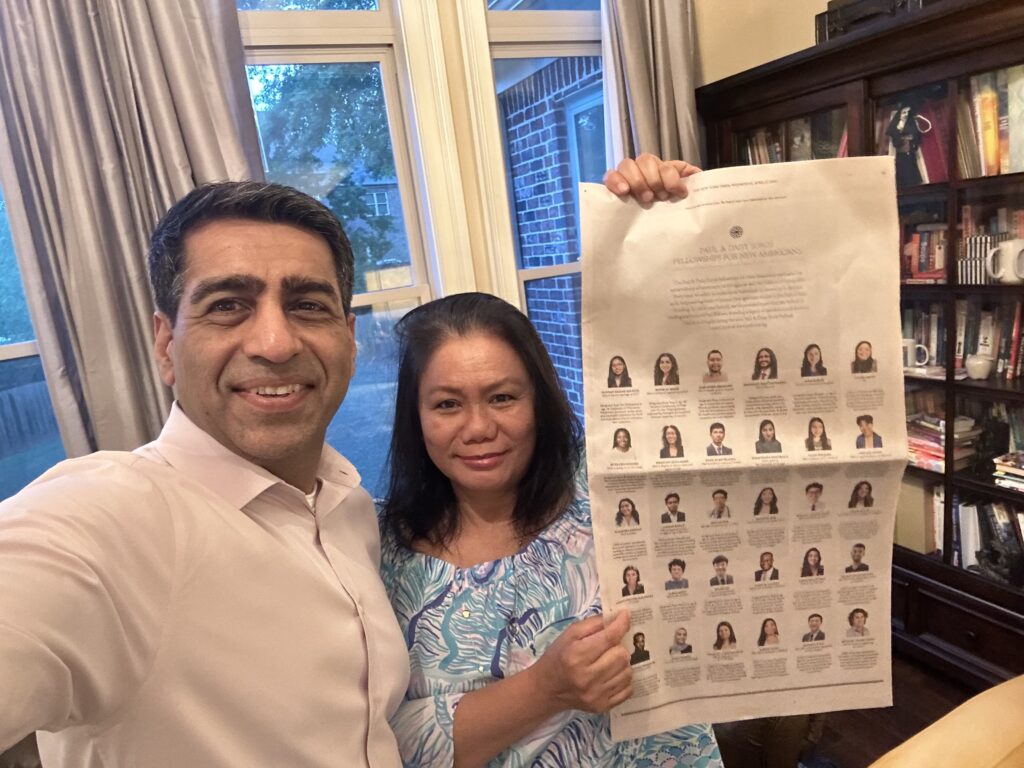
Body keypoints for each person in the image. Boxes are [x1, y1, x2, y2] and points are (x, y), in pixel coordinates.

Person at [0, 181, 411, 765]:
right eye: (226, 305)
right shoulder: (114, 521)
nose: (274, 342)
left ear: (348, 340)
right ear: (166, 346)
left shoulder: (348, 507)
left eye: (307, 305)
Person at [378, 288, 721, 766]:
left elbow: (702, 375)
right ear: (416, 417)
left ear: (538, 399)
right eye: (447, 405)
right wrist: (545, 689)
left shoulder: (610, 485)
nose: (478, 427)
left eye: (502, 397)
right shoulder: (378, 549)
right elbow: (387, 744)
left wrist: (661, 219)